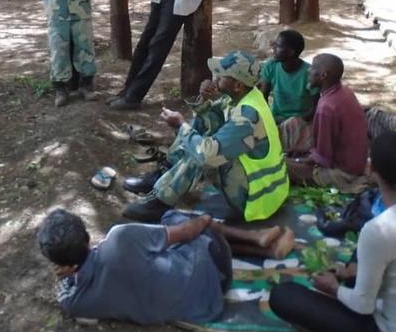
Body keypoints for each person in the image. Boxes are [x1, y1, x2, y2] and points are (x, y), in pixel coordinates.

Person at [268, 131, 396, 332]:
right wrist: (351, 272)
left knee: (282, 295)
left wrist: (334, 289)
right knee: (358, 262)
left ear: (372, 170)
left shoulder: (378, 230)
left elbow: (363, 305)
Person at [38, 209, 297, 325]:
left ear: (61, 266)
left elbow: (66, 291)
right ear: (86, 237)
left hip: (207, 303)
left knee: (159, 248)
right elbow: (187, 232)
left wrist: (70, 275)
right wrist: (205, 218)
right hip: (213, 261)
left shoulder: (75, 303)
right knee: (175, 218)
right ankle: (255, 239)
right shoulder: (120, 238)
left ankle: (263, 246)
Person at [121, 50, 289, 223]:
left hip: (258, 198)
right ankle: (164, 172)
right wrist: (204, 99)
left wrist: (180, 125)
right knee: (201, 125)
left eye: (222, 76)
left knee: (201, 153)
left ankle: (159, 203)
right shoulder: (246, 96)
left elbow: (207, 155)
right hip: (266, 187)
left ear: (237, 85)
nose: (215, 78)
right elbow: (210, 119)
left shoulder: (247, 116)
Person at [284, 54, 369, 189]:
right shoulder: (345, 91)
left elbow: (323, 159)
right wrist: (303, 150)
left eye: (313, 68)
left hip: (343, 172)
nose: (308, 70)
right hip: (357, 162)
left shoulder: (326, 108)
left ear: (323, 75)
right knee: (295, 128)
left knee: (280, 166)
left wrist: (297, 160)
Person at [257, 29, 317, 124]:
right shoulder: (271, 66)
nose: (274, 48)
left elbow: (315, 107)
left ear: (291, 52)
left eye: (278, 46)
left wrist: (296, 122)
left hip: (301, 122)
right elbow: (263, 96)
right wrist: (267, 120)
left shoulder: (309, 73)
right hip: (276, 118)